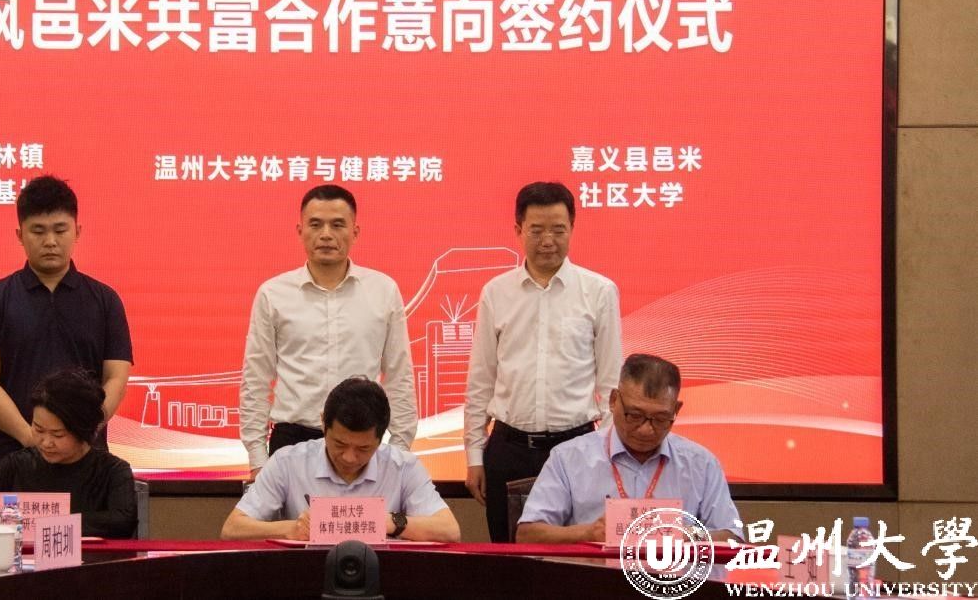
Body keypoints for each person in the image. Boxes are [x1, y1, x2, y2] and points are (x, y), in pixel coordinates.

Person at [464, 181, 623, 542]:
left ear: (572, 228)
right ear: (518, 230)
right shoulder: (496, 292)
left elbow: (611, 385)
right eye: (536, 230)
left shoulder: (599, 291)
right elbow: (481, 381)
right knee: (510, 559)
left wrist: (608, 456)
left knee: (577, 557)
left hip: (577, 447)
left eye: (558, 230)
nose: (548, 240)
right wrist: (474, 455)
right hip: (509, 450)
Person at [239, 184, 416, 478]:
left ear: (355, 232)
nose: (325, 234)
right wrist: (257, 458)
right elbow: (255, 378)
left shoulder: (383, 291)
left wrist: (399, 451)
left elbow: (400, 376)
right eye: (315, 224)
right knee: (290, 514)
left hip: (361, 441)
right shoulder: (273, 294)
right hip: (292, 441)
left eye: (337, 225)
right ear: (300, 231)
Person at [0, 174, 132, 469]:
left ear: (77, 231)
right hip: (14, 460)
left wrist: (81, 434)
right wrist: (33, 439)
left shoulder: (105, 301)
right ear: (20, 235)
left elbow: (116, 378)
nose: (50, 241)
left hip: (88, 463)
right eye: (38, 231)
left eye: (60, 230)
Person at [516, 353, 741, 543]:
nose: (646, 430)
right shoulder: (569, 457)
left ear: (676, 410)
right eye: (634, 415)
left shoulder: (701, 463)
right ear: (613, 400)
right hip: (592, 577)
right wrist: (588, 532)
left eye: (660, 419)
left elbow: (732, 536)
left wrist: (687, 534)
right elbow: (527, 535)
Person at [222, 377, 459, 542]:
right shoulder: (287, 462)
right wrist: (290, 529)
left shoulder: (403, 466)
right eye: (339, 444)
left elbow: (449, 530)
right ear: (323, 424)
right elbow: (232, 529)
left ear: (381, 438)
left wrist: (389, 522)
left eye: (364, 448)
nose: (349, 457)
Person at [0, 369, 137, 538]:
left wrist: (48, 522)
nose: (46, 442)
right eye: (38, 429)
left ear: (83, 431)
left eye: (58, 434)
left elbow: (123, 522)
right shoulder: (15, 466)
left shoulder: (112, 471)